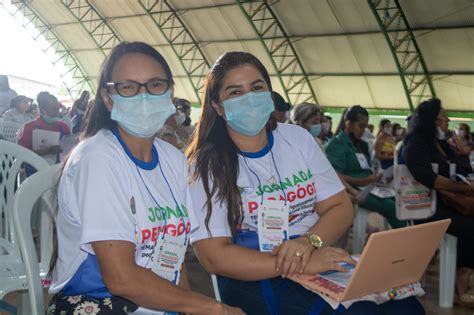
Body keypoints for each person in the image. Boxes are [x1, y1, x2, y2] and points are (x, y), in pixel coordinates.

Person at [186, 51, 423, 314]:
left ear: (269, 93)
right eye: (235, 93)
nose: (250, 98)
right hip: (253, 273)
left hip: (313, 255)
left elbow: (339, 207)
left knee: (406, 306)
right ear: (217, 106)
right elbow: (214, 257)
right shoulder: (207, 164)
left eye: (257, 88)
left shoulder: (296, 139)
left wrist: (308, 243)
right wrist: (295, 263)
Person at [47, 42, 242, 315]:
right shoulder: (98, 158)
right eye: (128, 87)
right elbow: (120, 278)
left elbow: (176, 260)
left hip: (159, 301)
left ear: (170, 93)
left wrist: (188, 307)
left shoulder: (173, 159)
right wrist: (213, 308)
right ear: (108, 97)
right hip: (99, 302)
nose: (143, 95)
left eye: (155, 85)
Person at [402, 98, 474, 307]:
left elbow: (461, 171)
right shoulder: (416, 143)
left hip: (445, 202)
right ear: (431, 120)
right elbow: (428, 177)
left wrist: (460, 151)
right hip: (425, 207)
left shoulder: (440, 144)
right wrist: (465, 189)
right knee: (469, 228)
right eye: (442, 116)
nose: (447, 120)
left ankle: (465, 277)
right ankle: (460, 286)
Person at [326, 106, 406, 229]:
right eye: (361, 126)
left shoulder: (360, 144)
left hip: (369, 187)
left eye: (366, 126)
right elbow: (335, 175)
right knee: (390, 206)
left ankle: (406, 235)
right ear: (349, 124)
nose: (364, 130)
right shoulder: (337, 144)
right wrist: (364, 181)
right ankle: (407, 240)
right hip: (350, 190)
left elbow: (366, 170)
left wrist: (378, 179)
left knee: (400, 200)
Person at [18, 91, 70, 165]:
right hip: (34, 169)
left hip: (57, 168)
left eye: (58, 109)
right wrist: (47, 151)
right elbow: (23, 153)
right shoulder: (29, 127)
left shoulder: (63, 127)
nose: (57, 113)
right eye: (54, 109)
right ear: (43, 110)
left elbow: (68, 149)